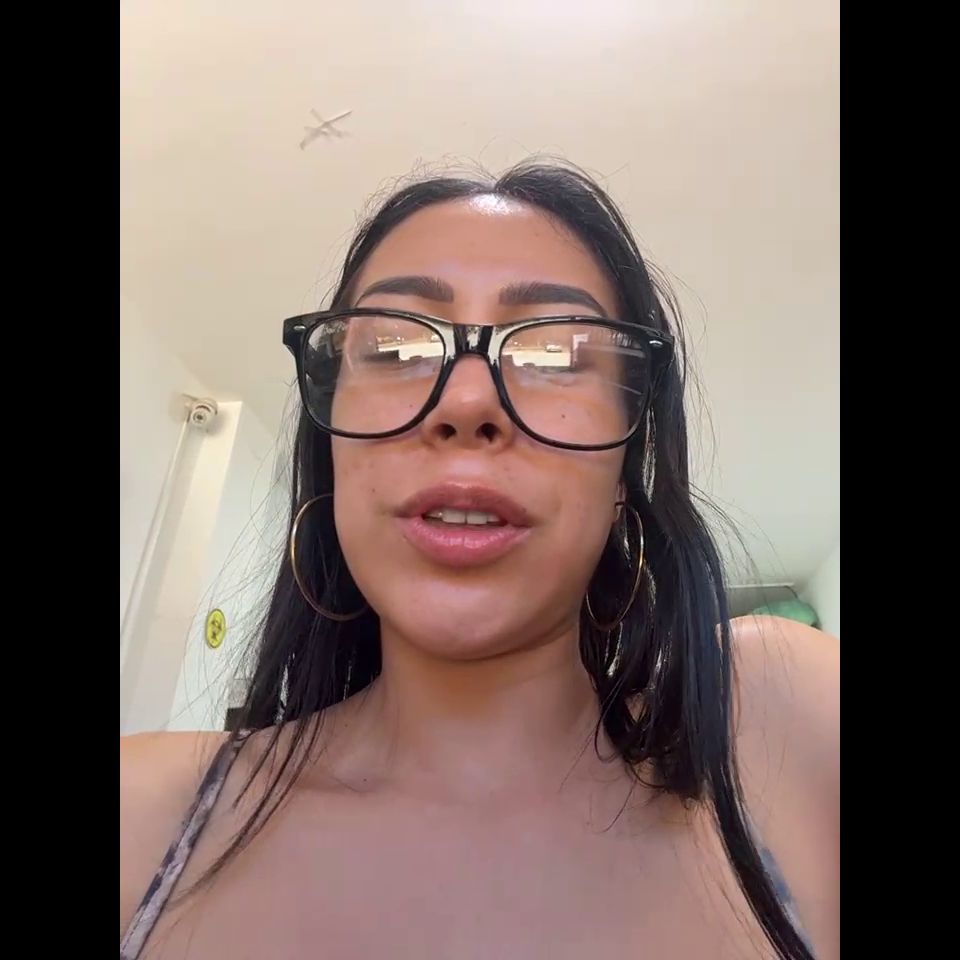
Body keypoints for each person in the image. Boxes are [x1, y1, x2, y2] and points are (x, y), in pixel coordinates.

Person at [120, 162, 839, 959]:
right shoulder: (137, 818)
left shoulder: (785, 726)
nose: (468, 404)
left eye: (558, 353)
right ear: (330, 451)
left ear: (625, 466)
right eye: (395, 347)